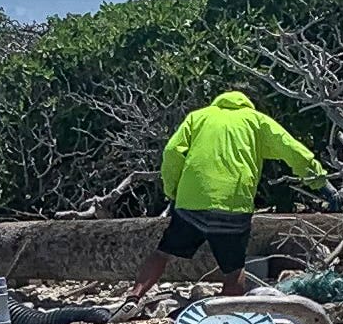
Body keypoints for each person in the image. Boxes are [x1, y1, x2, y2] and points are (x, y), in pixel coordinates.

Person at [130, 88, 324, 301]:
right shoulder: (256, 121)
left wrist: (172, 189)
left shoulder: (199, 117)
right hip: (233, 205)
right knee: (234, 268)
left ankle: (133, 298)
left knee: (162, 252)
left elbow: (172, 151)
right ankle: (227, 314)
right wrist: (318, 180)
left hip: (192, 204)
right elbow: (291, 148)